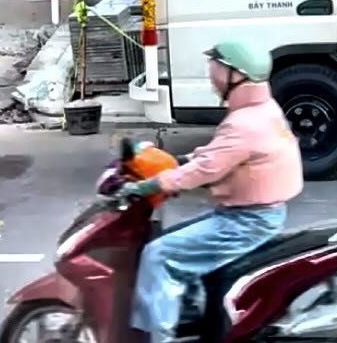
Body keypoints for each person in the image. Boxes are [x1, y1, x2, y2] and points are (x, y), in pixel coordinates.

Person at [124, 41, 303, 343]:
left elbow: (206, 169)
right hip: (256, 214)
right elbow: (219, 156)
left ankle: (160, 338)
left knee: (158, 255)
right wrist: (182, 162)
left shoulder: (244, 123)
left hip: (245, 223)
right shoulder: (262, 110)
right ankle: (192, 316)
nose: (212, 78)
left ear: (236, 75)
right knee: (172, 239)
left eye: (216, 71)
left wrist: (152, 184)